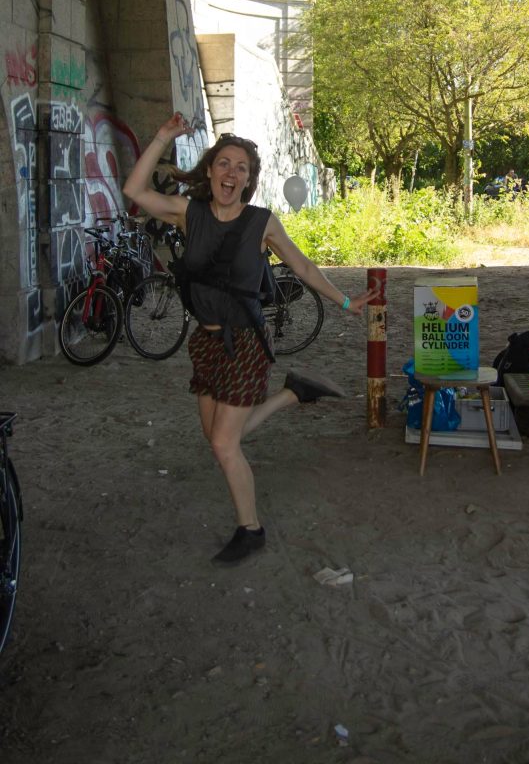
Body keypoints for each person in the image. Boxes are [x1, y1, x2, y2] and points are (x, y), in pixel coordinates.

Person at [123, 113, 375, 565]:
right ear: (210, 170)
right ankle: (292, 395)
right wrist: (161, 136)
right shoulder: (189, 213)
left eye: (241, 167)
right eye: (224, 163)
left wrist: (344, 303)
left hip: (246, 344)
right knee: (219, 437)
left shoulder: (262, 223)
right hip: (205, 342)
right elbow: (134, 192)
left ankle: (250, 529)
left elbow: (303, 268)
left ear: (249, 179)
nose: (231, 172)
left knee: (224, 444)